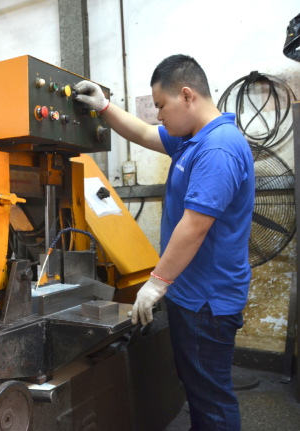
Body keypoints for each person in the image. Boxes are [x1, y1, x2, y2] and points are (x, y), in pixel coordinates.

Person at [74, 54, 255, 431]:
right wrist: (104, 106)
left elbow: (195, 226)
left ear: (187, 96)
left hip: (207, 300)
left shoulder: (217, 148)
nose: (158, 115)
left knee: (212, 396)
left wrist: (156, 284)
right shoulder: (192, 139)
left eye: (161, 105)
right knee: (198, 387)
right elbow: (143, 133)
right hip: (193, 293)